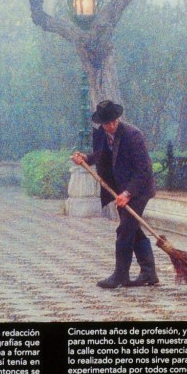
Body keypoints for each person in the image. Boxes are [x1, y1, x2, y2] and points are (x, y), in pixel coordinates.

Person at [71, 100, 159, 288]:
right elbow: (101, 154)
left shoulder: (133, 136)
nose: (110, 126)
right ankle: (149, 273)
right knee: (132, 229)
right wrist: (85, 158)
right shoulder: (102, 134)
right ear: (101, 123)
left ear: (118, 118)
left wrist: (127, 193)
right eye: (106, 123)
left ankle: (120, 276)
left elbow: (144, 171)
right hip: (120, 189)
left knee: (124, 230)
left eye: (113, 122)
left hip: (139, 189)